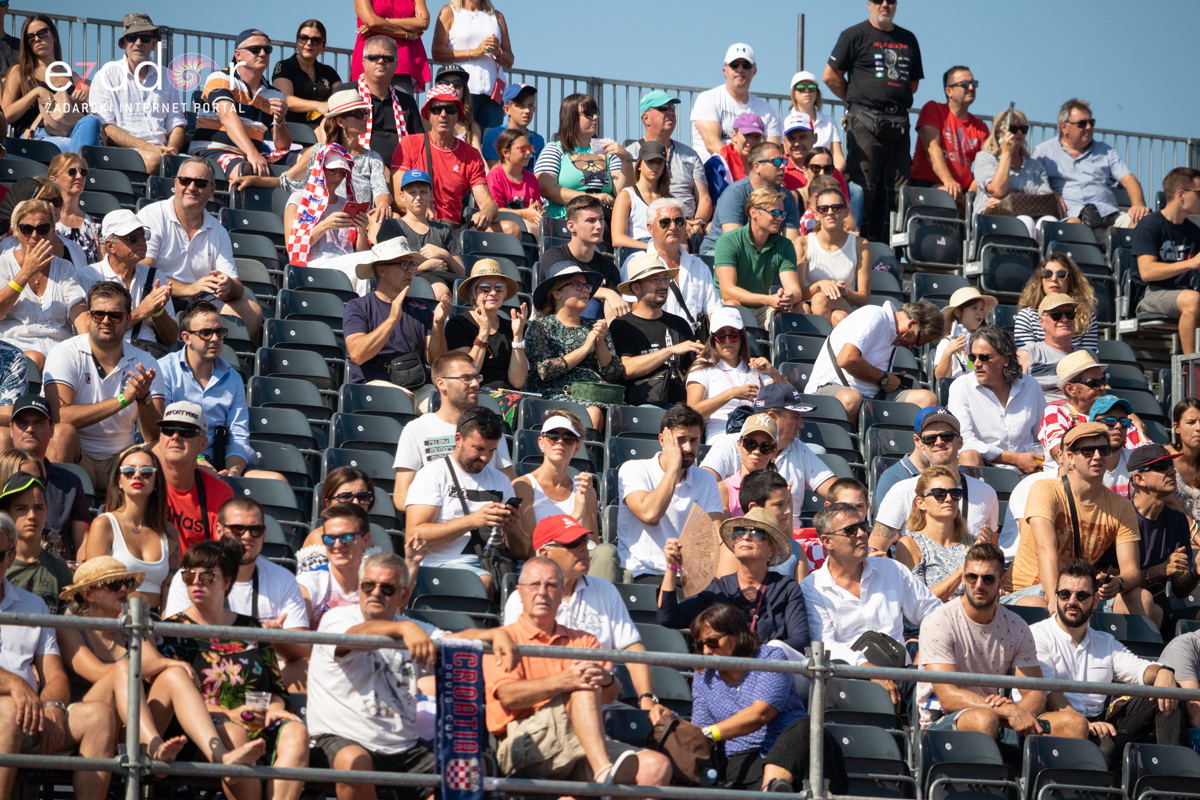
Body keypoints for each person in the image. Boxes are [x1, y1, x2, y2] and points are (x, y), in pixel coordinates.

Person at [310, 551, 516, 800]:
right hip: (341, 738)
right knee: (353, 761)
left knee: (467, 769)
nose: (376, 593)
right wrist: (402, 627)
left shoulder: (413, 629)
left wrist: (494, 634)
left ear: (403, 595)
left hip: (403, 748)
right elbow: (356, 636)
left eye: (387, 588)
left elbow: (450, 641)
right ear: (359, 588)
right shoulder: (337, 618)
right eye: (368, 586)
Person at [57, 556, 269, 770]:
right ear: (87, 593)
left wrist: (165, 662)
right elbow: (99, 673)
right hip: (89, 721)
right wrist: (167, 663)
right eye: (114, 585)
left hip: (130, 728)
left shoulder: (134, 621)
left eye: (127, 583)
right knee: (127, 668)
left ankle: (219, 755)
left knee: (173, 674)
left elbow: (154, 665)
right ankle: (155, 747)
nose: (124, 589)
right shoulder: (70, 626)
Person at [485, 557, 673, 786]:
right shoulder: (504, 640)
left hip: (581, 740)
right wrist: (562, 682)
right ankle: (603, 773)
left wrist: (606, 681)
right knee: (580, 685)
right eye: (535, 585)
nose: (542, 592)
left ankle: (602, 778)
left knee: (656, 768)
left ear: (562, 591)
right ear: (519, 592)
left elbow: (610, 696)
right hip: (527, 742)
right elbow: (507, 696)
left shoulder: (585, 640)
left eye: (551, 585)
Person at [161, 538, 309, 800]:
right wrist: (230, 712)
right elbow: (173, 699)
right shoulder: (173, 630)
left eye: (207, 576)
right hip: (203, 730)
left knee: (296, 731)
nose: (196, 582)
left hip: (255, 721)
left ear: (227, 581)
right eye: (188, 575)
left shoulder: (249, 627)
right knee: (234, 731)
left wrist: (274, 710)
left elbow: (275, 688)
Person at [918, 542, 1089, 740]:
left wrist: (1017, 714)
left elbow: (1034, 693)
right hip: (941, 722)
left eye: (988, 579)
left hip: (996, 718)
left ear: (1002, 581)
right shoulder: (939, 620)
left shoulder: (1016, 626)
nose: (979, 585)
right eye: (972, 577)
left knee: (1073, 723)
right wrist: (1007, 712)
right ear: (964, 578)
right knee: (984, 719)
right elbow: (948, 696)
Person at [500, 515, 662, 718]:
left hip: (603, 703)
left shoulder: (606, 590)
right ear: (544, 553)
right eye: (573, 544)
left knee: (664, 733)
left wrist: (647, 699)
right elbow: (518, 664)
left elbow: (632, 648)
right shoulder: (521, 598)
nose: (584, 549)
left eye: (584, 542)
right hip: (545, 707)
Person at [0, 522, 117, 800]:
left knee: (99, 716)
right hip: (11, 709)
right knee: (7, 709)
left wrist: (52, 705)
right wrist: (14, 684)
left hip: (24, 715)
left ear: (10, 555)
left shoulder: (33, 605)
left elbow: (54, 675)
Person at [1031, 559, 1180, 766]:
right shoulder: (1037, 635)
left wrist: (1163, 671)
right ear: (1056, 597)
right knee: (1104, 749)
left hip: (1102, 723)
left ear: (1095, 602)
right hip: (1059, 722)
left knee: (1168, 691)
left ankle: (1171, 773)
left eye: (1081, 595)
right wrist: (1082, 723)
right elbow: (1047, 692)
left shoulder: (1105, 641)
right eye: (1065, 594)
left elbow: (1139, 669)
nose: (1072, 601)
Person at [803, 502, 940, 708]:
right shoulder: (812, 587)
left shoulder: (892, 569)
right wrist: (868, 671)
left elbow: (935, 615)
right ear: (827, 541)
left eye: (863, 526)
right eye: (850, 530)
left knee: (928, 679)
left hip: (902, 675)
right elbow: (825, 646)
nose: (861, 534)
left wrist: (922, 653)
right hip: (848, 678)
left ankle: (925, 737)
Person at [1007, 422, 1144, 615]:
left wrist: (1118, 582)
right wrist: (1056, 597)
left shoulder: (1122, 506)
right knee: (1036, 605)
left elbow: (1132, 570)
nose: (1097, 456)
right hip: (1028, 590)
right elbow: (1046, 549)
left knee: (1143, 599)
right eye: (1087, 451)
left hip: (1081, 592)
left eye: (1103, 450)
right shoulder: (1045, 489)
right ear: (1070, 458)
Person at [43, 282, 166, 487]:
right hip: (79, 456)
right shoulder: (65, 352)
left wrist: (143, 399)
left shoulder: (147, 362)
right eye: (98, 314)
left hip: (123, 459)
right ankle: (57, 512)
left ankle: (152, 518)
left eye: (115, 316)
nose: (106, 321)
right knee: (61, 433)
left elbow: (153, 436)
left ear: (128, 320)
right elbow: (60, 417)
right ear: (89, 317)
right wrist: (123, 400)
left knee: (163, 449)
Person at [687, 603, 821, 791]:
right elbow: (700, 728)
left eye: (712, 642)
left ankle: (770, 791)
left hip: (791, 751)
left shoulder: (770, 657)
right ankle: (772, 791)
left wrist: (711, 733)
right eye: (701, 645)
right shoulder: (703, 676)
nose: (707, 651)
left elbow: (761, 714)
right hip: (744, 761)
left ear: (735, 635)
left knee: (807, 727)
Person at [823, 0, 923, 241]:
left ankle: (889, 252)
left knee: (898, 192)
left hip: (898, 122)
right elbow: (830, 76)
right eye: (879, 0)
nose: (885, 4)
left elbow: (913, 84)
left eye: (891, 0)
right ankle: (859, 246)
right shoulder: (854, 35)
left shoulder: (908, 38)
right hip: (864, 122)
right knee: (864, 187)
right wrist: (858, 100)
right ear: (869, 4)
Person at [405, 407, 529, 594]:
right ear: (458, 439)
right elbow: (414, 537)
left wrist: (511, 529)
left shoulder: (501, 480)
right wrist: (472, 521)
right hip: (443, 567)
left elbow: (521, 552)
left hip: (497, 564)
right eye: (478, 449)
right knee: (483, 582)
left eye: (492, 450)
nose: (485, 457)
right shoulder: (432, 475)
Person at [139, 157, 263, 337]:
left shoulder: (218, 231)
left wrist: (228, 286)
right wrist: (190, 289)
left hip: (201, 303)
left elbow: (237, 286)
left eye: (200, 183)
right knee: (152, 305)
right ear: (175, 183)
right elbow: (142, 272)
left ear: (212, 190)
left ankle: (222, 362)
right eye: (185, 181)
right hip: (162, 298)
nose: (191, 187)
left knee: (251, 310)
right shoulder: (152, 216)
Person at [659, 506, 809, 653]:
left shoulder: (786, 588)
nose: (746, 537)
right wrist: (672, 567)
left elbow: (801, 639)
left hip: (770, 671)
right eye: (739, 532)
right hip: (727, 672)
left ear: (771, 549)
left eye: (756, 533)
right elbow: (668, 618)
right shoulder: (718, 589)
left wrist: (761, 653)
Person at [701, 384, 837, 531]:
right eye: (795, 416)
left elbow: (836, 491)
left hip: (790, 540)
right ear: (772, 417)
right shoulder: (728, 443)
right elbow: (702, 488)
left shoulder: (799, 447)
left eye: (766, 447)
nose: (801, 425)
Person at [390, 355, 515, 511]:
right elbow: (402, 497)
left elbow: (510, 485)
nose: (475, 384)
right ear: (442, 384)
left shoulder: (488, 426)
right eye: (466, 378)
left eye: (477, 377)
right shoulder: (417, 429)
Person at [619, 404, 724, 582]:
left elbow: (715, 534)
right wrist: (673, 469)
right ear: (663, 440)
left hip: (689, 577)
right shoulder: (633, 469)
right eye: (681, 439)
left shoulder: (706, 479)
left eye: (694, 440)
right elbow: (650, 514)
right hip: (644, 572)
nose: (689, 448)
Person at [872, 406, 999, 548]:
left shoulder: (986, 492)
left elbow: (994, 550)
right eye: (930, 439)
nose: (939, 442)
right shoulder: (902, 490)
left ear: (960, 441)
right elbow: (876, 549)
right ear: (919, 443)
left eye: (947, 436)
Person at [343, 236, 448, 407]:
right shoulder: (359, 306)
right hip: (372, 385)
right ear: (382, 270)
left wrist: (438, 323)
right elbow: (357, 355)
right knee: (402, 399)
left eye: (412, 265)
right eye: (403, 264)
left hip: (418, 386)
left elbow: (436, 361)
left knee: (446, 403)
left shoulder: (420, 307)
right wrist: (392, 319)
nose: (410, 271)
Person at [159, 301, 258, 478]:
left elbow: (238, 436)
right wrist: (196, 459)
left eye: (219, 332)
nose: (214, 339)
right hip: (176, 458)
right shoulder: (165, 370)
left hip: (219, 463)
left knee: (276, 480)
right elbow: (161, 429)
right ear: (186, 337)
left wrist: (234, 471)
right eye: (205, 333)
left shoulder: (232, 377)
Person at [525, 262, 623, 432]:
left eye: (587, 286)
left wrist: (600, 343)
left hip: (597, 394)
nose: (586, 290)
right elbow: (544, 370)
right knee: (593, 413)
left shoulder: (596, 326)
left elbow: (613, 373)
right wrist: (585, 349)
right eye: (577, 285)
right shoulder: (541, 326)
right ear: (557, 293)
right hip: (558, 394)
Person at [804, 299, 943, 418]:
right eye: (917, 342)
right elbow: (846, 359)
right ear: (912, 324)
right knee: (851, 399)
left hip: (873, 397)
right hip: (831, 388)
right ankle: (851, 445)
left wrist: (892, 380)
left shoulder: (893, 335)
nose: (912, 347)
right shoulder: (875, 315)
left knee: (927, 399)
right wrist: (884, 378)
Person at [189, 28, 297, 180]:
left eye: (267, 49)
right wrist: (252, 153)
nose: (262, 53)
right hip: (211, 153)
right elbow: (227, 116)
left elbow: (282, 146)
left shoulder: (275, 94)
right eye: (255, 49)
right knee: (247, 170)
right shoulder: (220, 78)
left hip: (253, 157)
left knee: (313, 159)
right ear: (238, 55)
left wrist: (279, 120)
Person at [82, 443, 178, 611]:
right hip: (115, 620)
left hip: (155, 624)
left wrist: (165, 630)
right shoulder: (104, 524)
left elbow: (169, 589)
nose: (137, 476)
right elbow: (96, 586)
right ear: (119, 481)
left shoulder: (169, 532)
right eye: (128, 472)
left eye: (147, 472)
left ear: (156, 483)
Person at [265, 87, 392, 212]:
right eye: (359, 114)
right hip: (326, 223)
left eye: (366, 113)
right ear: (341, 122)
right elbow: (285, 181)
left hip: (361, 224)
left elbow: (381, 191)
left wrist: (383, 206)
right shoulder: (320, 151)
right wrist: (253, 180)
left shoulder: (373, 157)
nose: (365, 118)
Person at [1032, 98, 1149, 234]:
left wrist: (1138, 205)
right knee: (1072, 227)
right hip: (1070, 218)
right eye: (1082, 124)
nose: (1089, 127)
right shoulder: (1043, 152)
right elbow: (1033, 183)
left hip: (1108, 217)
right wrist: (1051, 194)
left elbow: (1129, 179)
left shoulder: (1106, 151)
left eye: (1091, 122)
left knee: (1144, 221)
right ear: (1064, 127)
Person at [88, 13, 186, 174]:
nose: (138, 43)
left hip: (161, 152)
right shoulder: (106, 74)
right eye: (132, 37)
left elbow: (176, 123)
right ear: (124, 44)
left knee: (203, 169)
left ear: (154, 43)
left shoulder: (167, 77)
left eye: (145, 38)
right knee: (156, 161)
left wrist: (172, 149)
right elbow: (105, 126)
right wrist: (150, 148)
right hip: (120, 152)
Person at [391, 84, 498, 230]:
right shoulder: (409, 144)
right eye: (436, 109)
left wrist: (485, 213)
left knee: (511, 228)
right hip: (417, 225)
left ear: (458, 115)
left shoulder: (470, 154)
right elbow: (398, 198)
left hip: (452, 229)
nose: (443, 114)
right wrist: (420, 211)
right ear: (428, 115)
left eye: (450, 110)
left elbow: (488, 202)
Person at [0, 199, 86, 369]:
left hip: (59, 351)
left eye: (42, 229)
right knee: (35, 359)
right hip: (16, 349)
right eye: (27, 229)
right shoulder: (3, 264)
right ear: (16, 231)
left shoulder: (64, 267)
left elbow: (78, 307)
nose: (34, 235)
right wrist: (25, 273)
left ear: (52, 231)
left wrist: (89, 340)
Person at [76, 210, 178, 353]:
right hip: (105, 355)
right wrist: (140, 312)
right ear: (111, 246)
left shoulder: (155, 276)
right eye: (134, 237)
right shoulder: (88, 276)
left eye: (144, 235)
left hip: (148, 356)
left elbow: (172, 339)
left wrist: (158, 312)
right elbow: (89, 333)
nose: (142, 241)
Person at [949, 325, 1047, 471]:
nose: (976, 364)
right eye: (972, 357)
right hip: (986, 470)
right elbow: (964, 441)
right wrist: (1014, 459)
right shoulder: (961, 387)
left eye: (984, 357)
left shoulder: (1030, 385)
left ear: (1005, 360)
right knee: (969, 455)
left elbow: (1043, 434)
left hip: (1030, 469)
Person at [610, 254, 702, 407]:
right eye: (655, 279)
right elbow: (626, 370)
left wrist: (702, 359)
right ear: (636, 288)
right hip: (641, 407)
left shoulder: (678, 324)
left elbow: (692, 369)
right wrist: (670, 350)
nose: (663, 285)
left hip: (680, 407)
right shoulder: (622, 325)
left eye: (665, 278)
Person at [1, 14, 100, 154]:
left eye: (42, 33)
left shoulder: (71, 76)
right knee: (88, 150)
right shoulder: (20, 72)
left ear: (53, 35)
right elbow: (5, 116)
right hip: (37, 135)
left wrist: (85, 98)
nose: (37, 39)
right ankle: (79, 164)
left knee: (90, 122)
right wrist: (35, 93)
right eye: (30, 37)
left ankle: (77, 163)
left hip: (71, 132)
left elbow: (91, 112)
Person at [5, 395, 89, 558]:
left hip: (58, 574)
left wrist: (81, 573)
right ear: (10, 429)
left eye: (38, 423)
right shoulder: (2, 476)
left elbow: (83, 543)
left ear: (52, 429)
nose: (30, 429)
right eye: (23, 423)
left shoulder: (70, 483)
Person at [628, 197, 722, 336]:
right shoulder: (636, 262)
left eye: (679, 221)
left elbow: (714, 312)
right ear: (650, 228)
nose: (673, 227)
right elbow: (634, 310)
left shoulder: (700, 267)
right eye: (665, 222)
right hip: (655, 343)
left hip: (693, 346)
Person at [686, 307, 782, 442]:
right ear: (713, 339)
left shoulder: (754, 366)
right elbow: (691, 412)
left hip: (757, 434)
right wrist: (731, 394)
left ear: (741, 338)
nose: (728, 341)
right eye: (720, 336)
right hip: (722, 435)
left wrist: (772, 373)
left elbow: (789, 398)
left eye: (734, 335)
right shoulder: (702, 366)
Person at [282, 144, 377, 281]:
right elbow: (292, 246)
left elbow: (359, 252)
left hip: (348, 265)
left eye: (342, 173)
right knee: (370, 261)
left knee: (373, 261)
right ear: (320, 170)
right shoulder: (299, 199)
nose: (338, 177)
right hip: (316, 265)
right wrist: (325, 225)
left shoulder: (346, 204)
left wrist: (362, 231)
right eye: (332, 171)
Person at [712, 187, 803, 327]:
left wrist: (788, 297)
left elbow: (795, 289)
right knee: (733, 305)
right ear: (753, 212)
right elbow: (727, 291)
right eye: (774, 213)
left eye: (781, 214)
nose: (779, 218)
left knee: (798, 309)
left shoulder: (785, 245)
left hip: (762, 308)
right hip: (729, 309)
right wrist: (768, 300)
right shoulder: (728, 241)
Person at [1132, 167, 1200, 353]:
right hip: (1151, 294)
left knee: (1191, 298)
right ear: (1181, 194)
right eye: (1199, 193)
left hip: (1183, 294)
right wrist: (1192, 263)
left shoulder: (1194, 232)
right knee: (1192, 299)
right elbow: (1147, 272)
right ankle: (1192, 366)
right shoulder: (1150, 225)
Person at [152, 401, 234, 554]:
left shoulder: (220, 493)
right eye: (168, 430)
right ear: (160, 438)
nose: (175, 437)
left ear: (203, 444)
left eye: (186, 432)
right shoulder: (136, 480)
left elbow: (222, 555)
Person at [1128, 445, 1199, 619]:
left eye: (1170, 464)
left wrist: (1195, 572)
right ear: (1139, 478)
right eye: (1161, 467)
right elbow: (1109, 579)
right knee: (1143, 599)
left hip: (1162, 608)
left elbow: (1179, 590)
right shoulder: (1121, 517)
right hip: (1122, 610)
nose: (1171, 471)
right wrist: (1158, 571)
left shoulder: (1178, 519)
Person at [534, 94, 632, 220]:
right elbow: (546, 188)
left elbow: (623, 193)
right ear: (571, 117)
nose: (595, 117)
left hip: (605, 218)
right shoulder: (555, 149)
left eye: (596, 112)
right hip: (568, 218)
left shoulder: (607, 150)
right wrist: (591, 199)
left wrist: (625, 159)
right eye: (588, 113)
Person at [626, 90, 712, 232]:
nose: (671, 112)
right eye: (663, 108)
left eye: (672, 108)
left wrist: (698, 222)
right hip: (651, 227)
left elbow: (704, 198)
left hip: (690, 228)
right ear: (646, 118)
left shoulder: (690, 155)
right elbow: (627, 197)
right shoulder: (630, 154)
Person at [700, 142, 803, 255]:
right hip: (718, 254)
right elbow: (733, 244)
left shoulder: (786, 197)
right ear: (757, 166)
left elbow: (792, 243)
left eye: (783, 161)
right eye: (776, 162)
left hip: (764, 254)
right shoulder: (735, 194)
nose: (783, 166)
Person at [971, 107, 1059, 235]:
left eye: (1023, 130)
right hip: (991, 221)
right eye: (1013, 129)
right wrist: (1006, 153)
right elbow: (997, 191)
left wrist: (1006, 203)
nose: (1019, 133)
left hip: (1032, 219)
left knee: (1049, 221)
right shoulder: (985, 158)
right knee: (1024, 221)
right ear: (999, 133)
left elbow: (1045, 202)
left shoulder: (1035, 167)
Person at [538, 194, 627, 320]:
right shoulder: (555, 256)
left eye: (601, 219)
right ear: (571, 226)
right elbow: (566, 291)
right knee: (590, 305)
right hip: (555, 327)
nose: (599, 226)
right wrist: (607, 292)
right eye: (591, 220)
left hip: (598, 330)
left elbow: (615, 304)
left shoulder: (607, 266)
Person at [690, 43, 782, 163]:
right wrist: (740, 172)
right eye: (734, 65)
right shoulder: (707, 99)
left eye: (746, 65)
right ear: (725, 71)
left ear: (754, 71)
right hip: (711, 175)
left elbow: (773, 151)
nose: (740, 69)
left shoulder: (766, 110)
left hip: (750, 176)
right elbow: (712, 144)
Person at [910, 66, 987, 205]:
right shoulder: (933, 109)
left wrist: (970, 195)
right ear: (948, 91)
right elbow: (932, 149)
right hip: (927, 185)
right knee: (947, 195)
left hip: (961, 191)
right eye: (964, 84)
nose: (971, 87)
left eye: (973, 83)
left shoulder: (980, 127)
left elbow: (985, 166)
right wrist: (949, 181)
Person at [430, 0, 512, 129]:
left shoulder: (497, 16)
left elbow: (510, 60)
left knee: (490, 144)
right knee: (464, 138)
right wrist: (473, 52)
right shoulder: (449, 12)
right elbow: (437, 52)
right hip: (462, 91)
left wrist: (497, 52)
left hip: (493, 94)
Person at [446, 259, 527, 389]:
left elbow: (517, 382)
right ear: (473, 292)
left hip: (507, 396)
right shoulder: (459, 324)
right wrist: (483, 332)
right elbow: (466, 375)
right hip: (474, 393)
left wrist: (517, 337)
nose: (493, 293)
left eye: (499, 288)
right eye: (485, 288)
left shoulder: (511, 326)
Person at [895, 467, 973, 601]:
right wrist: (963, 569)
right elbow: (919, 601)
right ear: (921, 503)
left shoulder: (971, 543)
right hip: (929, 619)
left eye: (954, 493)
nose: (948, 499)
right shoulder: (910, 544)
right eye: (939, 493)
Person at [512, 412, 598, 532]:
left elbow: (592, 542)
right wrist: (576, 514)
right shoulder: (523, 486)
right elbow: (531, 545)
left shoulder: (584, 490)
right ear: (541, 443)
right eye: (553, 436)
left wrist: (587, 507)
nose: (560, 441)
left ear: (576, 448)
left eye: (569, 438)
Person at [796, 186, 870, 325]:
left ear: (845, 212)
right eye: (824, 209)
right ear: (816, 214)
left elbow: (864, 298)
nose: (830, 212)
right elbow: (797, 294)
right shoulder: (803, 243)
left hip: (846, 306)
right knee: (825, 311)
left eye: (836, 208)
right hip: (809, 307)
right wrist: (820, 285)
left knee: (830, 308)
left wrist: (845, 293)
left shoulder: (860, 244)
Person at [388, 170, 465, 302]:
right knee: (441, 291)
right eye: (412, 192)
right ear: (402, 196)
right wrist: (426, 265)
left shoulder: (443, 230)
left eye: (423, 192)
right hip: (410, 286)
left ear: (430, 195)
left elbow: (461, 272)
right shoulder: (393, 226)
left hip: (447, 280)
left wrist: (444, 254)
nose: (418, 197)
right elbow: (388, 269)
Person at [0, 471, 71, 610]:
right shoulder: (1, 565)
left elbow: (67, 626)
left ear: (47, 512)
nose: (32, 516)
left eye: (39, 507)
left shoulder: (60, 571)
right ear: (7, 515)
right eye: (22, 509)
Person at [298, 503, 372, 629]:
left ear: (365, 541)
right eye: (330, 538)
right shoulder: (309, 583)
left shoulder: (378, 587)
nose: (337, 545)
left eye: (347, 537)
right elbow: (295, 641)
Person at [354, 35, 423, 167]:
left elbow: (418, 144)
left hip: (402, 170)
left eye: (388, 58)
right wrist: (378, 168)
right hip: (358, 168)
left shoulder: (407, 101)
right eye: (374, 57)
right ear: (363, 62)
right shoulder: (349, 94)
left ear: (396, 65)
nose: (381, 61)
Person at [1013, 253, 1100, 353]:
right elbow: (1028, 358)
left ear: (1070, 280)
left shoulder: (1087, 317)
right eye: (1047, 274)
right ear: (1040, 280)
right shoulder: (1026, 316)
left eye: (1061, 275)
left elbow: (1089, 357)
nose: (1054, 279)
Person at [1018, 294, 1091, 399]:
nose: (1064, 319)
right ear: (1041, 321)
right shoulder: (1028, 355)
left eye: (1070, 314)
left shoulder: (1087, 356)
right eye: (1056, 315)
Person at [272, 20, 342, 127]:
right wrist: (318, 106)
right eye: (303, 38)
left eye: (316, 40)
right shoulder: (285, 66)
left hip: (325, 127)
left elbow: (341, 97)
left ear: (322, 47)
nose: (309, 43)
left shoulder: (329, 72)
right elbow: (286, 100)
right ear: (297, 42)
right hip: (293, 130)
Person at [351, 0, 430, 90]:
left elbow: (423, 22)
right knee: (366, 102)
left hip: (403, 63)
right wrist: (406, 34)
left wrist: (384, 22)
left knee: (402, 101)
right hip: (371, 60)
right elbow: (372, 22)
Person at [713, 414, 780, 517]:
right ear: (739, 445)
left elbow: (785, 531)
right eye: (750, 444)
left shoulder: (780, 490)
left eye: (766, 447)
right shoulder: (723, 490)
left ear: (774, 451)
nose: (757, 451)